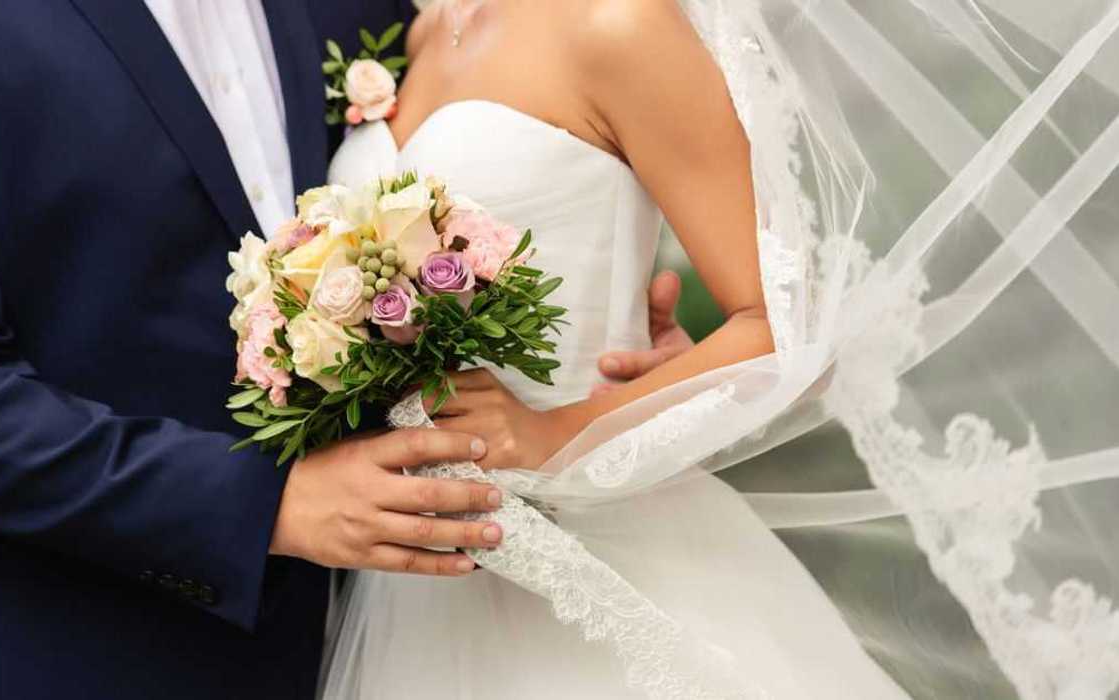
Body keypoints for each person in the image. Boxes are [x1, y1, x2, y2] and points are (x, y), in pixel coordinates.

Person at [0, 1, 689, 697]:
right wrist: (266, 506)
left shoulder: (369, 10)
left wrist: (617, 370)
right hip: (63, 650)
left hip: (401, 641)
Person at [322, 0, 1119, 698]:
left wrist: (557, 433)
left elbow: (784, 327)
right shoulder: (410, 33)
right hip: (415, 577)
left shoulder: (616, 20)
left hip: (600, 543)